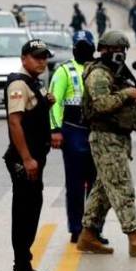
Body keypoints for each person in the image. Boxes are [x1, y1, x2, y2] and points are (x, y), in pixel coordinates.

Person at [76, 30, 136, 257]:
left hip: (118, 137)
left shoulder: (117, 74)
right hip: (106, 138)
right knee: (122, 187)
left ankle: (88, 235)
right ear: (103, 50)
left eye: (123, 50)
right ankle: (134, 237)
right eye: (115, 50)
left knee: (104, 189)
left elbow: (121, 106)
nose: (120, 54)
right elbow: (103, 104)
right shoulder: (99, 75)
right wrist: (127, 95)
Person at [4, 39, 56, 271]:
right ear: (24, 58)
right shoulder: (18, 84)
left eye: (44, 57)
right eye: (37, 57)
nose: (42, 61)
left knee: (32, 208)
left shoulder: (33, 83)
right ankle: (21, 269)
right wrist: (26, 158)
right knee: (24, 212)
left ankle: (25, 264)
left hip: (35, 157)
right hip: (25, 159)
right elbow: (15, 122)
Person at [50, 30, 107, 246]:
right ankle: (76, 229)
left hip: (97, 132)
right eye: (79, 45)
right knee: (75, 185)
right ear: (74, 48)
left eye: (86, 45)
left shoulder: (101, 71)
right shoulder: (64, 71)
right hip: (73, 131)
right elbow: (54, 103)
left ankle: (93, 229)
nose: (83, 49)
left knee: (98, 185)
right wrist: (55, 130)